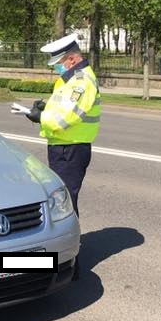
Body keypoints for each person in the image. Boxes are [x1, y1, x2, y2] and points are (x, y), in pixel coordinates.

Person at [17, 34, 100, 218]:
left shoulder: (81, 82)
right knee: (61, 197)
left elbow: (68, 116)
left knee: (64, 200)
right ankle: (69, 241)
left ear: (71, 59)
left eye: (59, 62)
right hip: (63, 145)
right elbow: (63, 107)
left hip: (71, 148)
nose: (56, 67)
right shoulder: (69, 80)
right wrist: (45, 108)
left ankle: (70, 243)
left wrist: (41, 117)